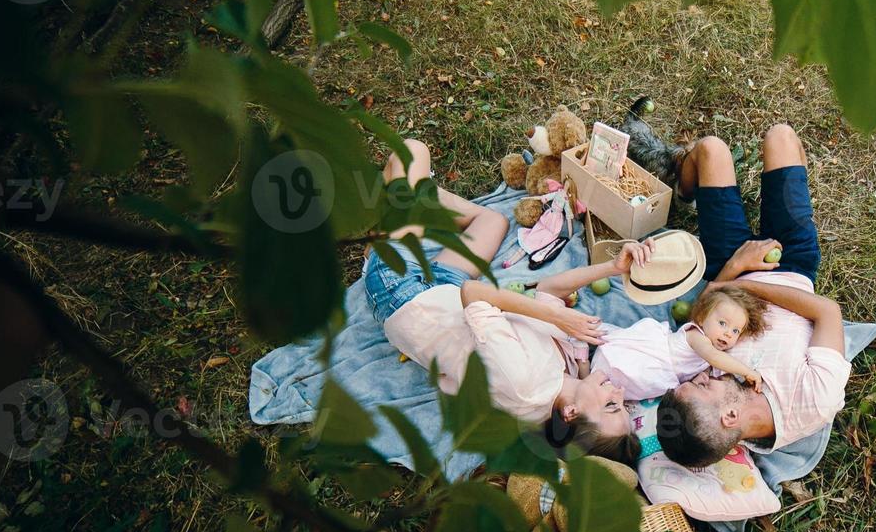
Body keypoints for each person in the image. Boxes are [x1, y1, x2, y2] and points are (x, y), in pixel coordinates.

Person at [361, 139, 646, 466]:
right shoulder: (562, 376)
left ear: (570, 414)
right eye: (623, 404)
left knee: (412, 151)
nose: (620, 394)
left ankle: (387, 230)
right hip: (444, 297)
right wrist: (614, 267)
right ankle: (407, 201)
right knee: (493, 222)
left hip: (404, 296)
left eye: (611, 405)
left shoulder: (524, 383)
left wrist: (563, 321)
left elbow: (473, 292)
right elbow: (550, 289)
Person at [656, 124, 851, 468]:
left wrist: (737, 265)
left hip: (731, 265)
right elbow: (827, 312)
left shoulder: (711, 394)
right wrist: (749, 283)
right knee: (781, 137)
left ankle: (682, 189)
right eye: (702, 386)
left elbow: (705, 306)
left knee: (712, 149)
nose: (700, 376)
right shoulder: (814, 400)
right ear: (730, 416)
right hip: (793, 265)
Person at [591, 285, 769, 399]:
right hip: (650, 359)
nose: (728, 334)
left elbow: (702, 367)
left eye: (735, 331)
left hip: (661, 370)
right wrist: (746, 371)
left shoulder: (709, 348)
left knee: (611, 390)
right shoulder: (697, 337)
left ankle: (595, 384)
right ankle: (592, 377)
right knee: (622, 375)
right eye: (722, 323)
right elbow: (713, 357)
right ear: (701, 318)